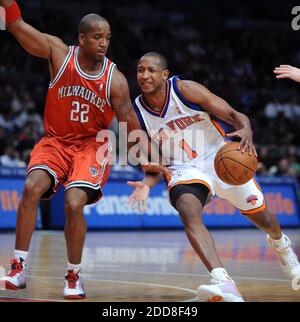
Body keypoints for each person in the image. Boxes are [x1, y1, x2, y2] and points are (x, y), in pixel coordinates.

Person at [0, 1, 167, 299]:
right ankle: (19, 266)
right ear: (82, 38)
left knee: (74, 203)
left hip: (91, 146)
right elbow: (17, 26)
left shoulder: (114, 80)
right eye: (97, 37)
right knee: (31, 187)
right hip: (55, 141)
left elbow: (129, 125)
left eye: (107, 38)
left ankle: (74, 275)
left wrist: (147, 163)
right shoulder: (58, 53)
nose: (103, 43)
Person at [127, 52, 300, 302]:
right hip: (183, 167)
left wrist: (247, 129)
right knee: (188, 210)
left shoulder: (185, 89)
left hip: (219, 155)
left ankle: (281, 244)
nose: (144, 75)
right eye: (140, 70)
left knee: (264, 219)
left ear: (164, 74)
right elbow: (156, 163)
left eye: (151, 70)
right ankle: (223, 282)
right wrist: (147, 182)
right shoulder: (136, 114)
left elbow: (233, 115)